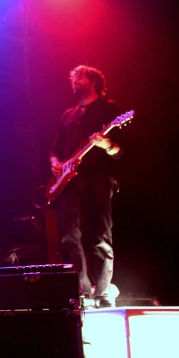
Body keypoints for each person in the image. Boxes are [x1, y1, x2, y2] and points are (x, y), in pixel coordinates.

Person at [48, 65, 122, 309]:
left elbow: (119, 150)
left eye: (79, 78)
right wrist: (56, 164)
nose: (74, 82)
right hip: (70, 182)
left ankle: (103, 292)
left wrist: (106, 143)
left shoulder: (109, 110)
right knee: (70, 237)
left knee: (100, 235)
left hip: (98, 178)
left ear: (93, 81)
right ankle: (82, 290)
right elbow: (54, 149)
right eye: (73, 78)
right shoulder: (68, 115)